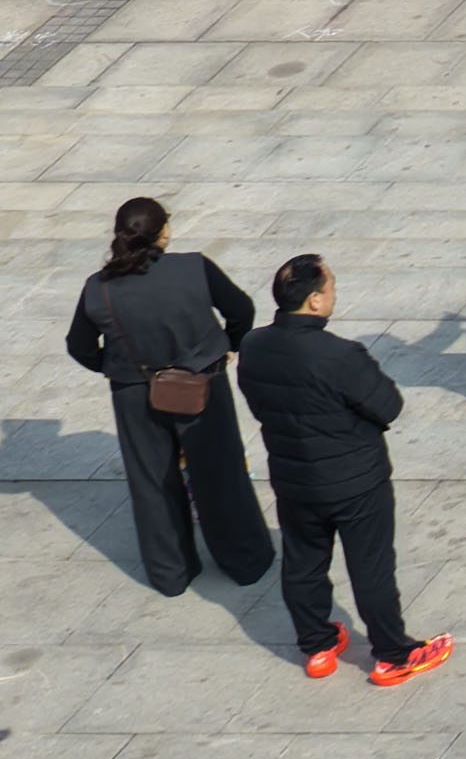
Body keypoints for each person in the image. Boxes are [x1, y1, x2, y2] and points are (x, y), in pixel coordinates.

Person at [237, 254, 435, 681]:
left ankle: (318, 647)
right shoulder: (339, 354)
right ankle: (393, 654)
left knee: (303, 563)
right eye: (330, 289)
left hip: (294, 479)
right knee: (370, 567)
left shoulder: (252, 346)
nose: (333, 295)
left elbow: (259, 405)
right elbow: (389, 405)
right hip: (355, 482)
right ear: (313, 300)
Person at [65, 196, 268, 593]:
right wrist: (228, 344)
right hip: (201, 384)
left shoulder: (98, 288)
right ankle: (246, 561)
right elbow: (241, 309)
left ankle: (170, 574)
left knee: (151, 482)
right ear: (163, 233)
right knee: (220, 473)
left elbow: (80, 346)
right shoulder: (194, 267)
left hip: (135, 393)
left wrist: (116, 367)